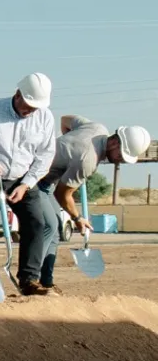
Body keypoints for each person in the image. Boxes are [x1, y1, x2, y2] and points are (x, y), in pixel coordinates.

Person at [37, 116, 151, 291]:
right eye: (121, 155)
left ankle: (46, 281)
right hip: (34, 179)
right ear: (114, 143)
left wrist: (68, 147)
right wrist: (78, 218)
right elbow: (62, 194)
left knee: (56, 227)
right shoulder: (88, 160)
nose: (120, 160)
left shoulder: (98, 128)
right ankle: (30, 279)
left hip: (45, 182)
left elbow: (65, 120)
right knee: (50, 226)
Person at [0, 72, 57, 296]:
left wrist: (26, 184)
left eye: (35, 108)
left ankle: (29, 279)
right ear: (17, 94)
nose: (30, 111)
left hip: (22, 180)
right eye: (28, 105)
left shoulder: (45, 117)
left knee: (36, 223)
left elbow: (45, 155)